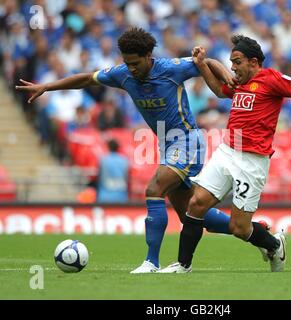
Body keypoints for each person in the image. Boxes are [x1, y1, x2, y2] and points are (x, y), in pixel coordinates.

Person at [15, 27, 236, 273]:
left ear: (148, 56)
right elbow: (88, 78)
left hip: (187, 139)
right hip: (168, 143)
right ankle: (257, 233)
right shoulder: (123, 74)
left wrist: (226, 76)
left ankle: (151, 262)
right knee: (190, 215)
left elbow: (209, 62)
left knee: (154, 189)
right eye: (127, 63)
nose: (131, 68)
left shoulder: (171, 68)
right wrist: (47, 86)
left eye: (135, 63)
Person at [159, 35, 291, 273]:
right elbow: (220, 92)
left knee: (239, 228)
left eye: (237, 61)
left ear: (254, 62)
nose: (233, 67)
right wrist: (201, 64)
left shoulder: (272, 79)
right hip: (227, 151)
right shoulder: (240, 83)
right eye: (231, 62)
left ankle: (274, 245)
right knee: (197, 203)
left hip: (252, 161)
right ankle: (183, 264)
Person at [97, 139, 129, 204]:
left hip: (105, 195)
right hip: (121, 195)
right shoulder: (124, 160)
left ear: (108, 147)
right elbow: (127, 177)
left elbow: (99, 176)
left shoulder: (103, 160)